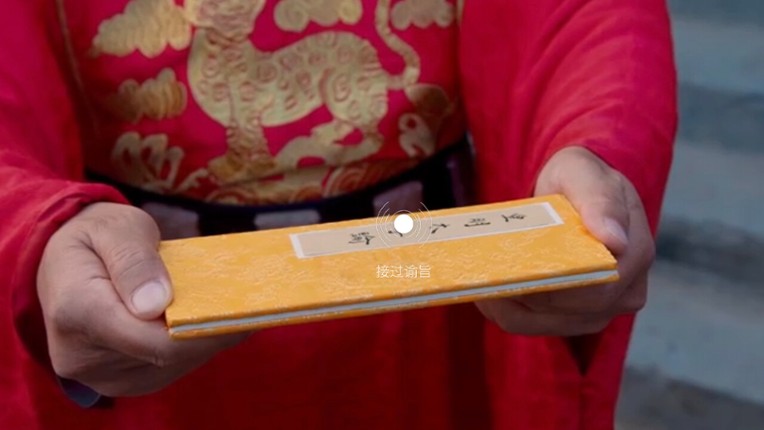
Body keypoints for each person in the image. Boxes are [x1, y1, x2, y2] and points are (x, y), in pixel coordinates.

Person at [0, 0, 676, 429]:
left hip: (426, 296)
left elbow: (585, 19)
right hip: (153, 304)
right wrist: (40, 227)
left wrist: (594, 140)